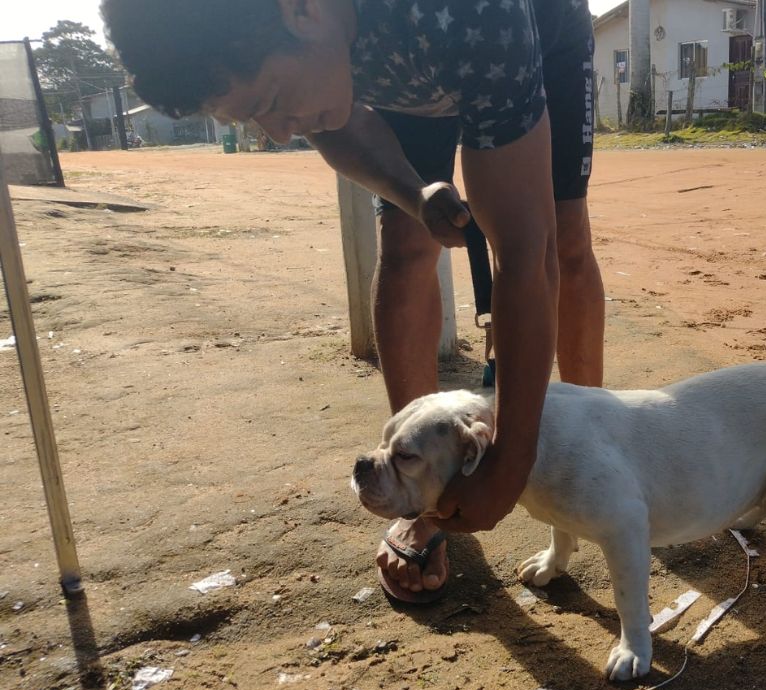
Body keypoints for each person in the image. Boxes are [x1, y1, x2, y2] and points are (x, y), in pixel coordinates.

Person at [101, 0, 604, 603]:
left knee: (562, 240)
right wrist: (414, 194)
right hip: (391, 59)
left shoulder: (472, 14)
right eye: (254, 120)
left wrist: (513, 457)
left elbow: (525, 256)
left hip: (527, 35)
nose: (282, 134)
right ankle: (416, 481)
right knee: (408, 241)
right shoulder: (284, 38)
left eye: (269, 103)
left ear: (304, 13)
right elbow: (337, 126)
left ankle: (597, 451)